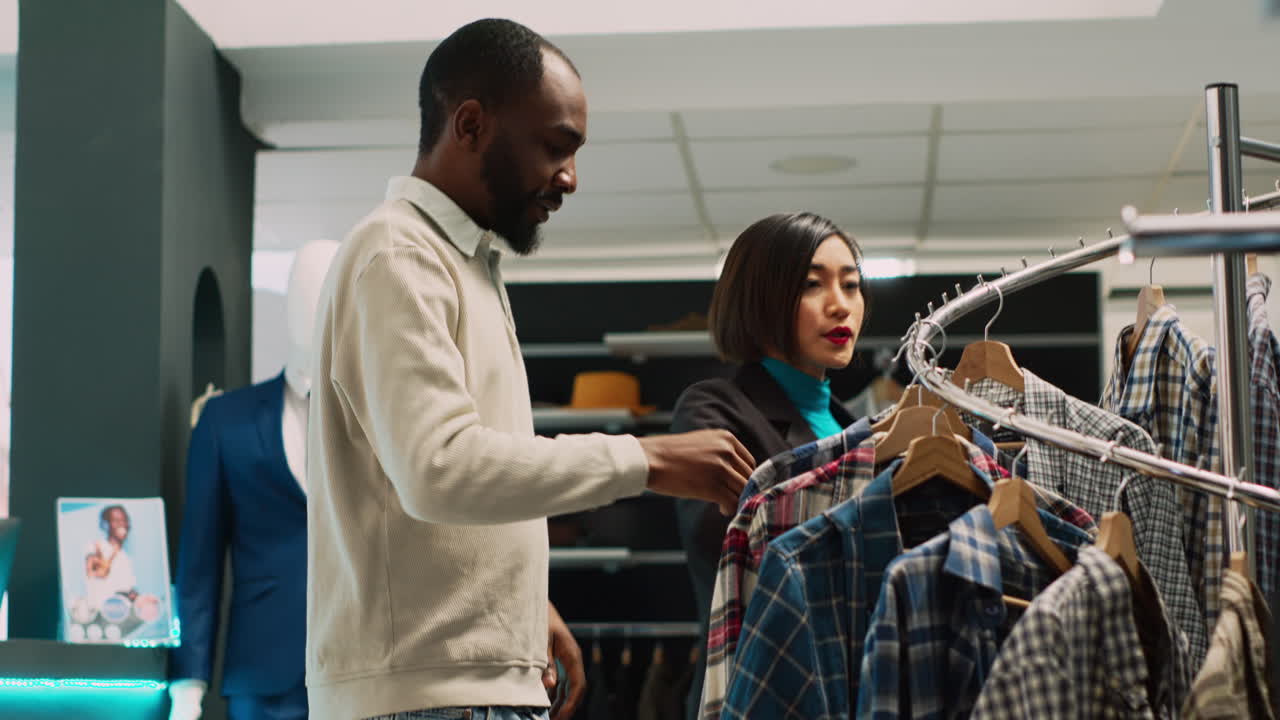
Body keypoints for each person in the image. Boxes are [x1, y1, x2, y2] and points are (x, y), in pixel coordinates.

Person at [305, 19, 754, 720]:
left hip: (465, 688)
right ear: (473, 124)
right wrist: (647, 458)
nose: (570, 177)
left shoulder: (465, 264)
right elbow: (440, 469)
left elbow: (442, 487)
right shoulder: (396, 254)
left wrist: (521, 607)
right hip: (430, 700)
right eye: (555, 146)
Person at [669, 212, 867, 719]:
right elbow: (724, 542)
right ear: (763, 297)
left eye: (851, 285)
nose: (840, 304)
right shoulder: (714, 408)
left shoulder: (856, 427)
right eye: (812, 285)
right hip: (760, 685)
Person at [84, 504, 138, 610]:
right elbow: (101, 572)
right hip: (101, 614)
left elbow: (126, 588)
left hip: (121, 613)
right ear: (105, 525)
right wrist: (114, 552)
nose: (122, 524)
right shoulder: (95, 547)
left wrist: (134, 595)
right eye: (116, 520)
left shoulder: (125, 556)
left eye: (125, 520)